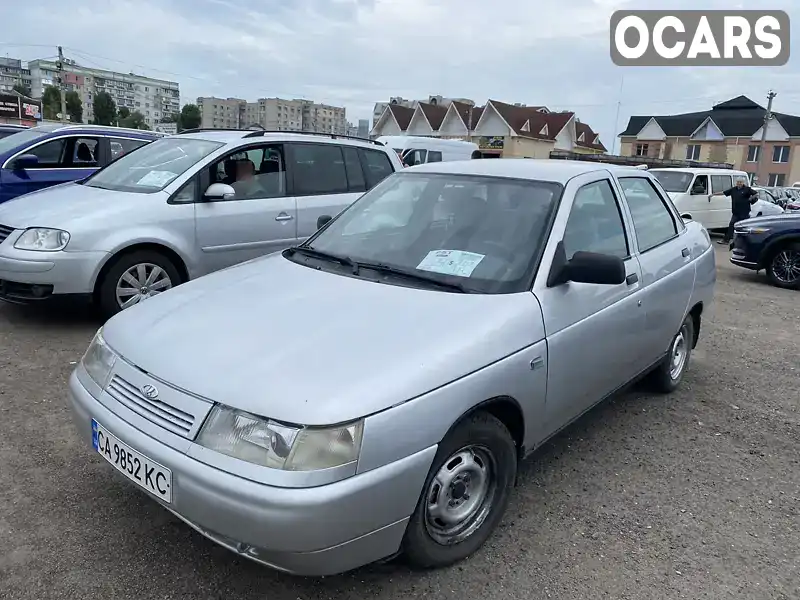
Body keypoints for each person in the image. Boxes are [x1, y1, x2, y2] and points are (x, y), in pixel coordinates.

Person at [719, 177, 758, 248]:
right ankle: (726, 240)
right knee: (731, 225)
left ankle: (746, 241)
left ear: (743, 183)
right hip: (736, 212)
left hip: (744, 212)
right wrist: (712, 194)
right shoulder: (733, 189)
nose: (739, 183)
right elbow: (724, 192)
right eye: (738, 182)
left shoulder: (747, 189)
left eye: (740, 182)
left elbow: (756, 194)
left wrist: (750, 198)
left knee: (744, 227)